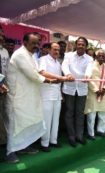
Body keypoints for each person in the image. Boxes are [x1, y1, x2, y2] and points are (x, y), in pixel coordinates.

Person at [5, 32, 56, 163]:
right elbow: (33, 75)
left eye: (37, 43)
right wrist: (51, 81)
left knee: (27, 121)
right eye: (33, 43)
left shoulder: (32, 56)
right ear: (25, 43)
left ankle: (23, 146)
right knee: (14, 124)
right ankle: (10, 151)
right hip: (17, 96)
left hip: (28, 96)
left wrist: (58, 78)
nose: (36, 45)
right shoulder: (20, 55)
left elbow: (38, 71)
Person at [39, 42, 71, 152]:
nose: (57, 51)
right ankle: (44, 143)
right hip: (46, 94)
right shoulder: (43, 59)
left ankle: (53, 140)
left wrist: (61, 93)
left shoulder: (58, 63)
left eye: (58, 50)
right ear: (48, 49)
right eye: (54, 49)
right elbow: (42, 73)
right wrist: (60, 77)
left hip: (57, 95)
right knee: (46, 119)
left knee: (56, 119)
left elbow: (59, 81)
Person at [62, 37, 92, 147]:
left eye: (83, 44)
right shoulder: (68, 55)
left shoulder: (89, 59)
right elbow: (64, 66)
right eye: (79, 44)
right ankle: (71, 136)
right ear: (76, 45)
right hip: (69, 87)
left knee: (80, 113)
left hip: (82, 88)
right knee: (69, 112)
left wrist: (88, 76)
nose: (80, 46)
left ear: (86, 46)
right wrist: (68, 74)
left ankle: (79, 136)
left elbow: (89, 69)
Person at [85, 49, 105, 139]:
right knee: (92, 114)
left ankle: (101, 130)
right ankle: (91, 133)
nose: (101, 57)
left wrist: (104, 89)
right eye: (99, 55)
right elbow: (88, 78)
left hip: (104, 93)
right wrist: (96, 90)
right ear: (95, 56)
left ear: (104, 57)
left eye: (102, 56)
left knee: (103, 113)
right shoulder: (90, 65)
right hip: (93, 92)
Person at [0, 33, 9, 146]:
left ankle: (3, 141)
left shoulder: (5, 51)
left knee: (3, 114)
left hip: (4, 87)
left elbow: (7, 69)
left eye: (2, 34)